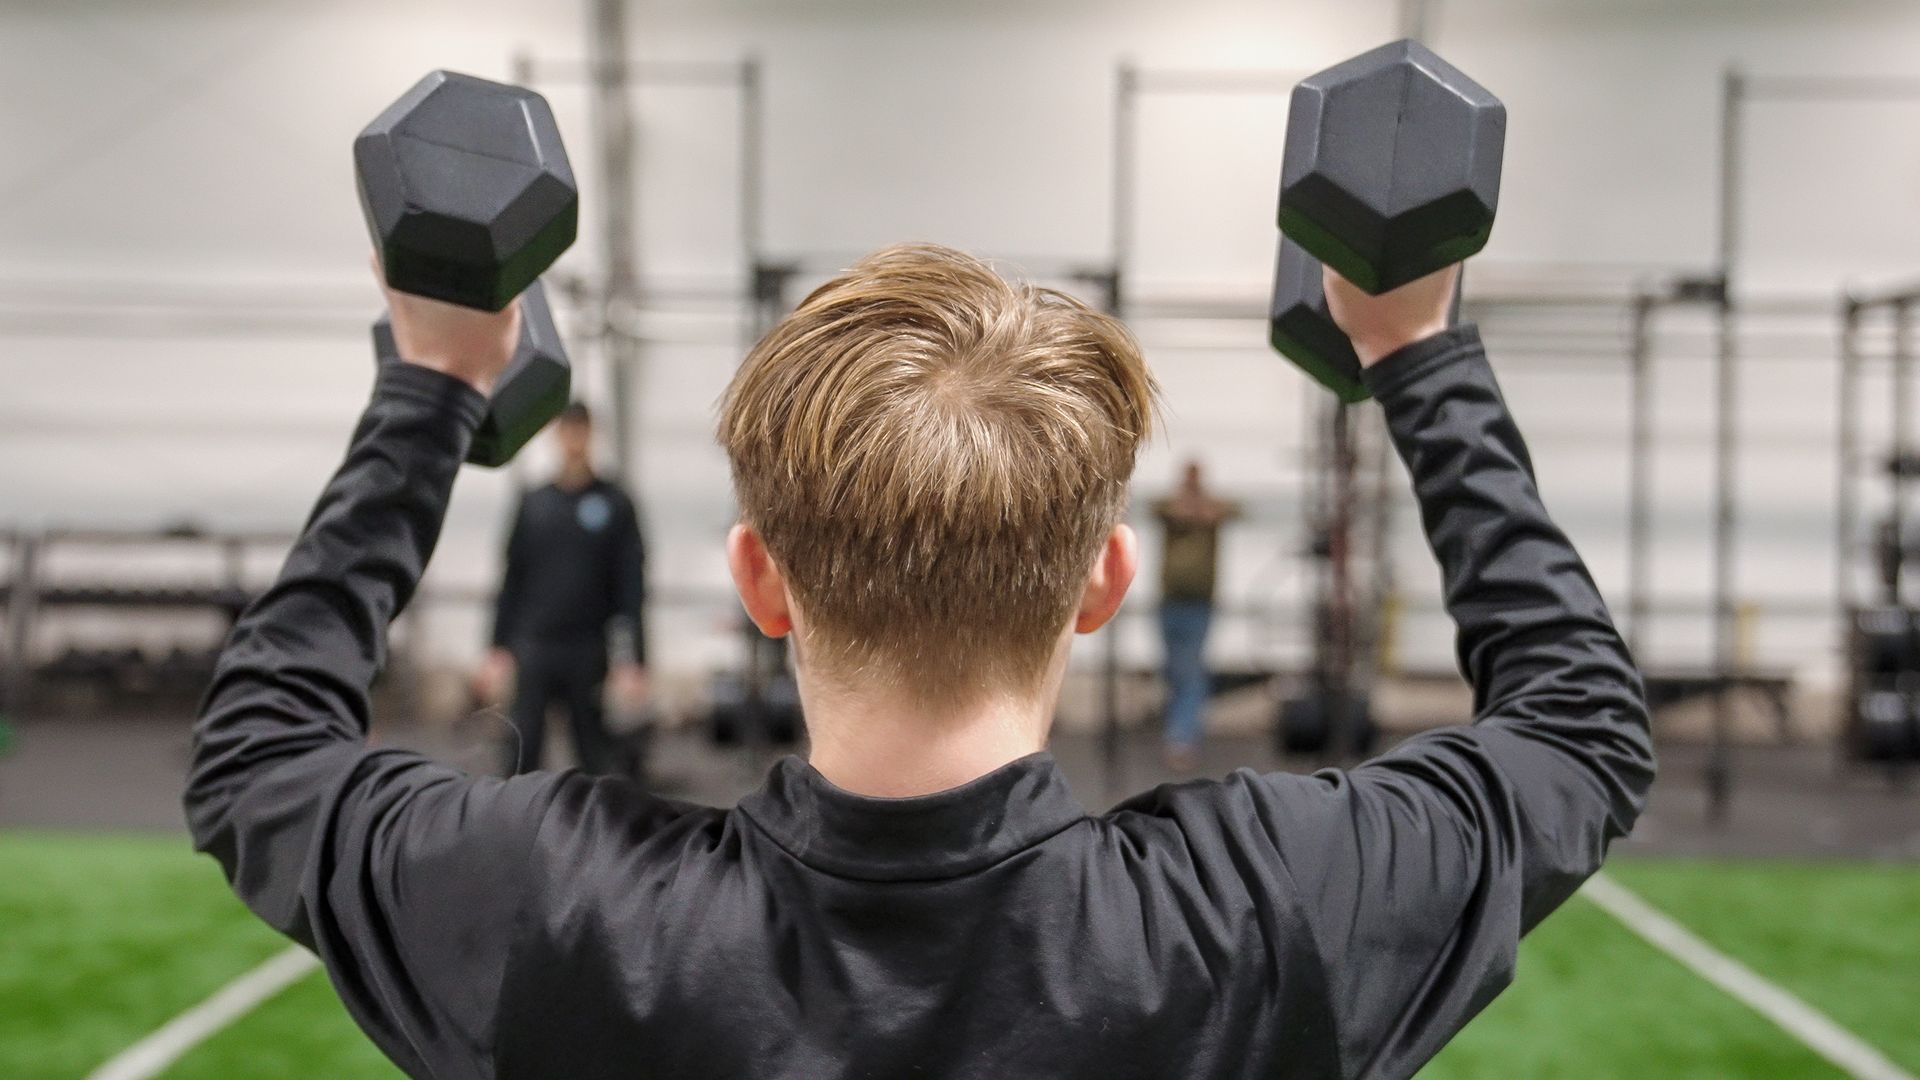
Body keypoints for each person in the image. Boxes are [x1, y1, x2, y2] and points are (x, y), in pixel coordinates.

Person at [185, 244, 1652, 1079]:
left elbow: (259, 754)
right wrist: (1416, 351)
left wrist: (434, 385)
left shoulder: (557, 905)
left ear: (759, 580)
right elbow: (1582, 725)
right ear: (1106, 585)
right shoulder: (1269, 909)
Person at [475, 401, 648, 775]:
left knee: (593, 751)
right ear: (555, 435)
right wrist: (496, 647)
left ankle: (596, 829)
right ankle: (515, 829)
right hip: (534, 644)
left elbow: (631, 585)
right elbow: (511, 578)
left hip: (586, 646)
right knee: (523, 749)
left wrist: (634, 658)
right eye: (566, 430)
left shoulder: (614, 503)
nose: (573, 439)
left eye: (580, 430)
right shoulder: (535, 503)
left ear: (591, 434)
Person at [1153, 461, 1241, 771]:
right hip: (1169, 601)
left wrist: (1202, 504)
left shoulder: (1211, 510)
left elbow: (1235, 510)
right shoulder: (1170, 508)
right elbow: (1162, 509)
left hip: (1198, 603)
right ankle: (1179, 732)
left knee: (1190, 673)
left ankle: (1181, 738)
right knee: (1176, 672)